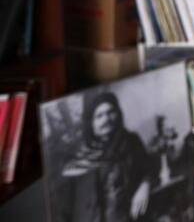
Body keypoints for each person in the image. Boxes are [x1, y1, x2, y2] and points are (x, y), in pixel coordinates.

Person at [58, 92, 157, 221]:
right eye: (99, 116)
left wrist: (144, 186)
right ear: (91, 123)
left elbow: (149, 169)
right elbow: (65, 209)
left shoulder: (131, 142)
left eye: (111, 112)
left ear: (118, 114)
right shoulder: (76, 158)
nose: (106, 119)